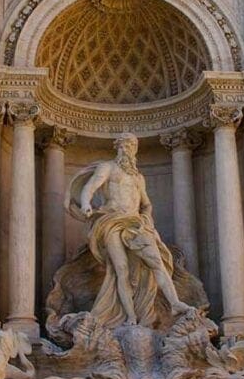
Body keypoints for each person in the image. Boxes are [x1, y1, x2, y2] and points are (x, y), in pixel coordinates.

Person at [66, 132, 191, 328]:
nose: (128, 150)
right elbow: (90, 187)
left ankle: (175, 303)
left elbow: (146, 204)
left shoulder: (138, 178)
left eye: (132, 147)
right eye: (125, 146)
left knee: (156, 262)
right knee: (121, 270)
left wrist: (146, 219)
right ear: (118, 148)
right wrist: (85, 203)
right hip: (111, 222)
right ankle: (130, 317)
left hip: (135, 224)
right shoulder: (107, 168)